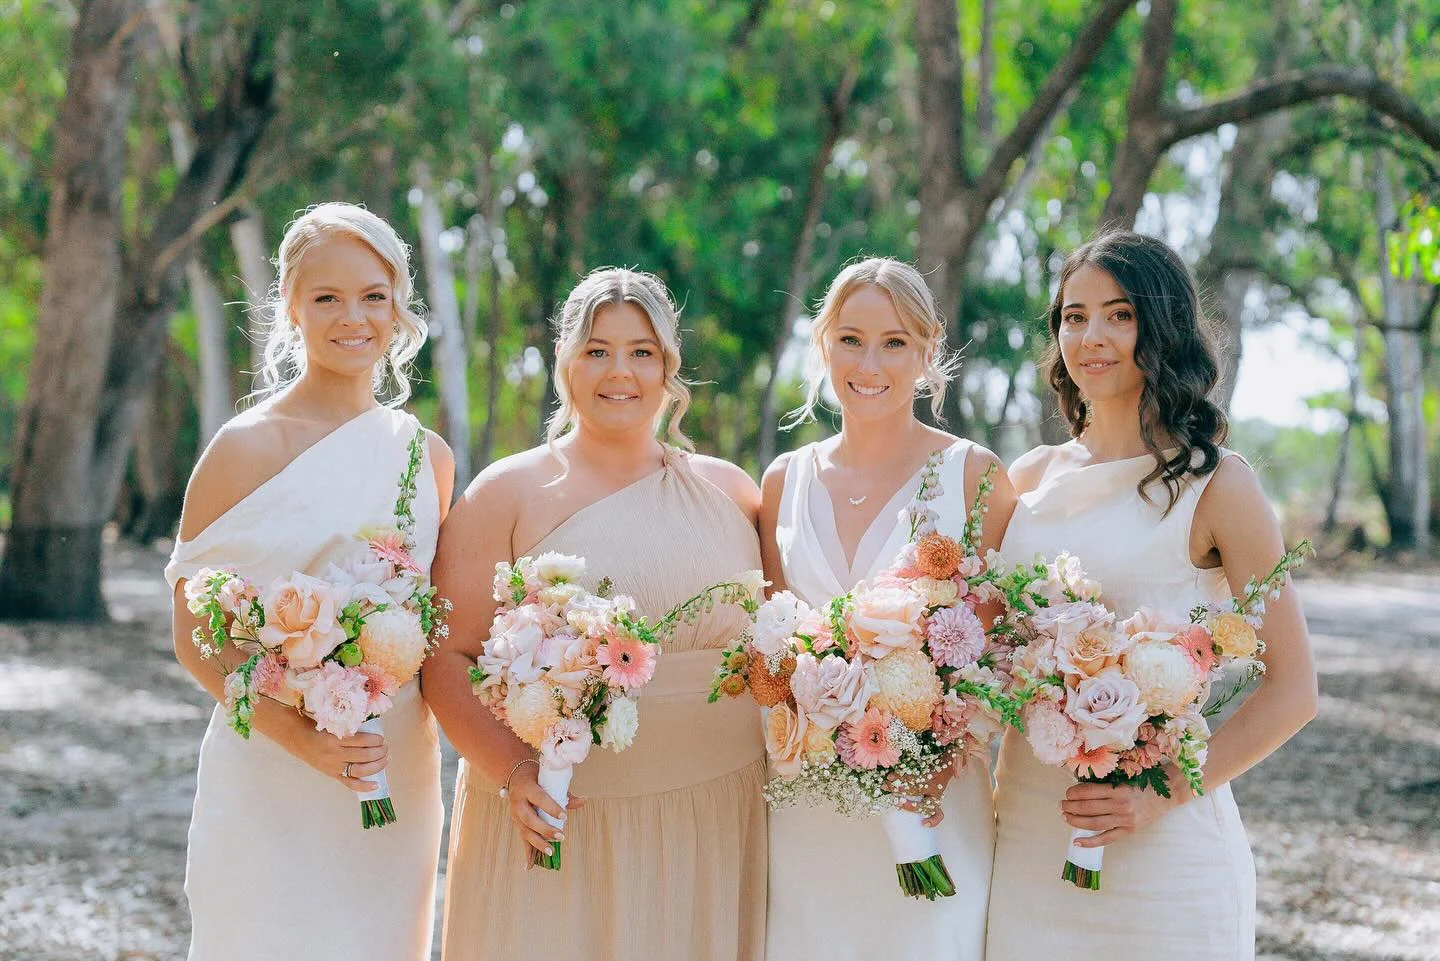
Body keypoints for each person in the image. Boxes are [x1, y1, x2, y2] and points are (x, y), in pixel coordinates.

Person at [985, 230, 1317, 960]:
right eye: (1074, 316)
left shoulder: (1217, 483)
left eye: (1119, 313)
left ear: (1160, 326)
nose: (1091, 335)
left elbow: (1293, 688)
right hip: (1028, 844)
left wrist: (1156, 793)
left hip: (1163, 858)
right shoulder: (1027, 478)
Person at [426, 267, 766, 961]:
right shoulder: (507, 493)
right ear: (565, 361)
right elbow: (444, 659)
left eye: (641, 350)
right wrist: (513, 773)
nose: (621, 371)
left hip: (717, 819)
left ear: (669, 365)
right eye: (597, 349)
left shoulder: (732, 491)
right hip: (561, 820)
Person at [165, 202, 454, 960]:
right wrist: (299, 737)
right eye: (326, 297)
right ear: (290, 307)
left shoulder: (428, 459)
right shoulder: (242, 450)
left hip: (389, 779)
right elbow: (196, 641)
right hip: (268, 775)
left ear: (398, 308)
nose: (351, 317)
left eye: (372, 296)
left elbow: (437, 627)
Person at [759, 257, 1016, 960]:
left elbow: (995, 655)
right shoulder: (784, 481)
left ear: (929, 350)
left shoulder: (974, 476)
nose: (868, 362)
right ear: (824, 344)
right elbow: (773, 648)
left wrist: (924, 754)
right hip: (809, 813)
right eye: (850, 338)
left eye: (895, 342)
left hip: (930, 800)